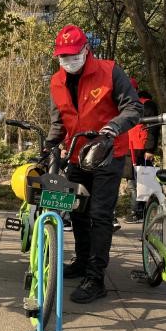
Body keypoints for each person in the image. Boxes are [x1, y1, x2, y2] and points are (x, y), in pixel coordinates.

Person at [46, 24, 143, 303]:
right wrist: (49, 145)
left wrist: (114, 127)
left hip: (107, 154)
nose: (68, 60)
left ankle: (96, 277)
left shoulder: (109, 71)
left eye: (73, 54)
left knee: (100, 214)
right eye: (63, 56)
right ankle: (81, 261)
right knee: (76, 211)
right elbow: (58, 122)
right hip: (77, 154)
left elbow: (133, 107)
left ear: (86, 49)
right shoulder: (56, 81)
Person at [124, 78, 160, 223]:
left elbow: (153, 128)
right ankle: (137, 211)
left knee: (144, 182)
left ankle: (141, 212)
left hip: (142, 149)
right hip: (129, 149)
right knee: (132, 183)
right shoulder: (125, 105)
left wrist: (150, 149)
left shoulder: (147, 104)